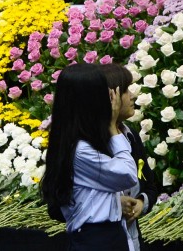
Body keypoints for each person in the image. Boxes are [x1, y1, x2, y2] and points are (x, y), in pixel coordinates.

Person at [41, 63, 138, 251]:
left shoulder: (80, 141)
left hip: (105, 236)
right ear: (92, 100)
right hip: (96, 239)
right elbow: (127, 175)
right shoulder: (80, 151)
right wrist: (112, 127)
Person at [98, 64, 158, 251]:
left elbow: (149, 182)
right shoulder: (91, 145)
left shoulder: (130, 135)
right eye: (125, 90)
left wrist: (140, 202)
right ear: (111, 97)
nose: (132, 96)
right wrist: (114, 205)